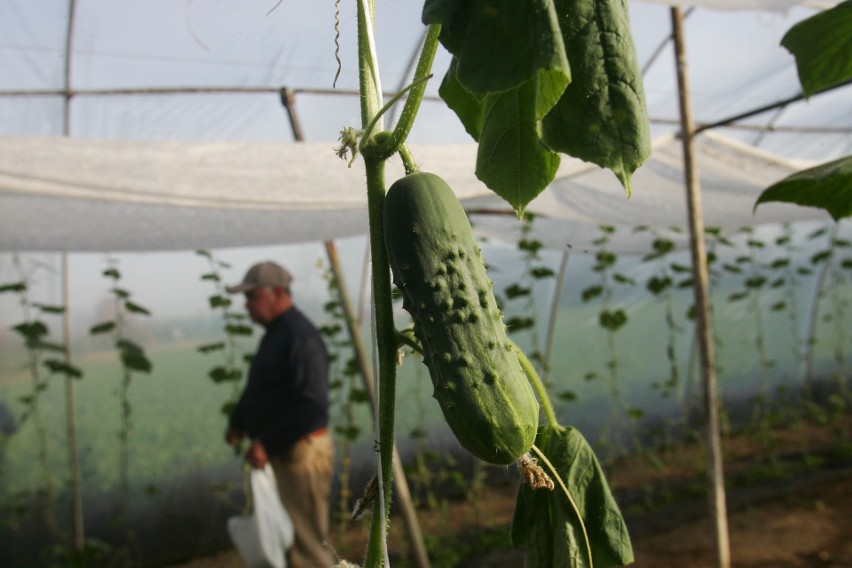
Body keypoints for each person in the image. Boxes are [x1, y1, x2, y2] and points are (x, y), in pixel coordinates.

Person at [224, 261, 335, 568]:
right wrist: (239, 421)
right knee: (291, 544)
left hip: (301, 454)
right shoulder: (277, 334)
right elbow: (262, 386)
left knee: (308, 546)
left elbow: (311, 405)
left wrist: (266, 443)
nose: (246, 305)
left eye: (251, 296)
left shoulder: (300, 337)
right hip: (285, 452)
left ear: (275, 293)